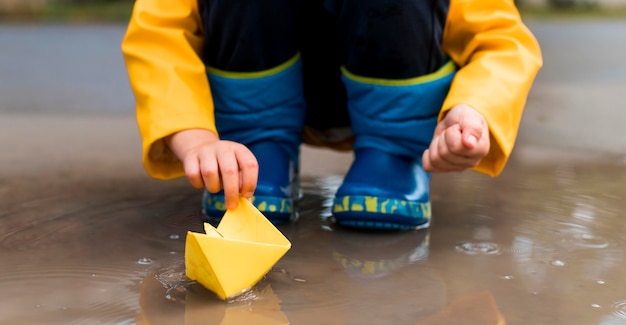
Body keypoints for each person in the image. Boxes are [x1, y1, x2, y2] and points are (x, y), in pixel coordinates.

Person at [122, 0, 542, 230]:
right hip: (254, 98)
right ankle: (255, 153)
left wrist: (472, 111)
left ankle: (393, 156)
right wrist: (195, 138)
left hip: (389, 94)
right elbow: (160, 36)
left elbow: (501, 40)